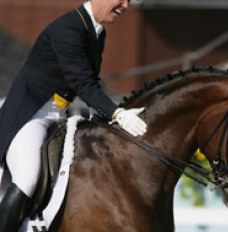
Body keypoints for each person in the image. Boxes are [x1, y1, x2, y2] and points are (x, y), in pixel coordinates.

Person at [0, 0, 147, 231]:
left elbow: (91, 81)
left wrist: (109, 115)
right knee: (27, 177)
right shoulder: (68, 30)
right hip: (31, 116)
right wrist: (117, 113)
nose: (126, 6)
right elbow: (83, 84)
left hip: (60, 114)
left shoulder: (97, 32)